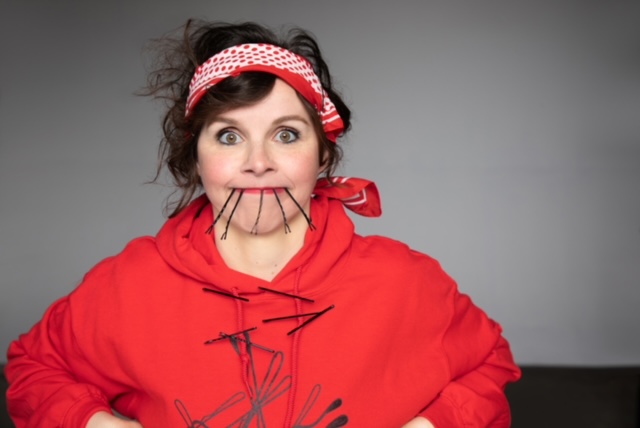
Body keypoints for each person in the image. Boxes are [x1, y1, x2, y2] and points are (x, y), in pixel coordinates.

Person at [5, 20, 521, 427]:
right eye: (229, 136)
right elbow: (34, 371)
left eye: (287, 135)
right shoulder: (125, 285)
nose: (258, 161)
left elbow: (488, 363)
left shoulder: (406, 281)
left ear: (323, 156)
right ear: (196, 157)